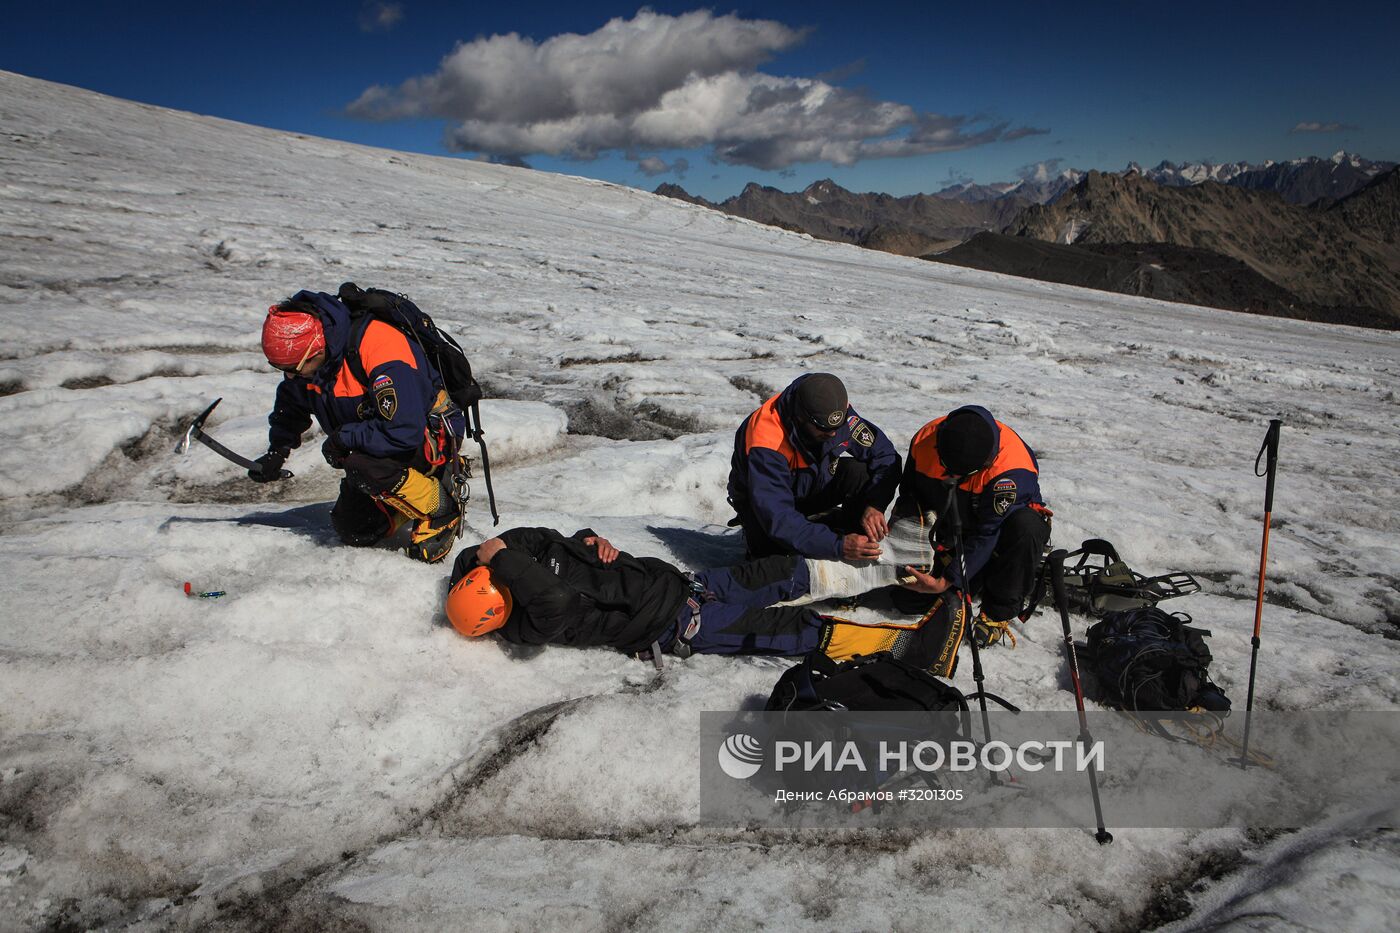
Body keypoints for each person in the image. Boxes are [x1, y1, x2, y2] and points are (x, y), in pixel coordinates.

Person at [444, 527, 963, 667]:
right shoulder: (531, 620)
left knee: (786, 572)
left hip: (688, 584)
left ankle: (903, 568)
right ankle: (907, 649)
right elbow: (552, 598)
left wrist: (587, 541)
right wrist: (503, 559)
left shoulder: (506, 566)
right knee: (790, 633)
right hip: (680, 625)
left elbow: (544, 539)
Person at [249, 289, 466, 563]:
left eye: (296, 367)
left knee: (362, 466)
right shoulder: (314, 364)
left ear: (318, 348)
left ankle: (441, 505)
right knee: (355, 529)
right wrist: (277, 450)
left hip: (426, 437)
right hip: (379, 443)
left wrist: (344, 438)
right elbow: (292, 402)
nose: (291, 375)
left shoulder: (381, 349)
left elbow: (403, 430)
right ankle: (407, 500)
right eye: (284, 368)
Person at [892, 405, 1051, 647]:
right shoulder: (925, 439)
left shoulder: (1012, 470)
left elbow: (988, 533)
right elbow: (910, 497)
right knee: (907, 602)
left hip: (996, 534)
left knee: (1026, 527)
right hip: (951, 529)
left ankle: (997, 611)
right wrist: (909, 548)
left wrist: (947, 579)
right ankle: (966, 573)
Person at [727, 373, 901, 562]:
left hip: (810, 485)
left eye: (838, 425)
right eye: (823, 429)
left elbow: (885, 455)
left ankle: (857, 545)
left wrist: (875, 504)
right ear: (801, 418)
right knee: (777, 563)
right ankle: (829, 539)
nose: (833, 433)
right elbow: (778, 518)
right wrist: (837, 546)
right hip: (763, 506)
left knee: (858, 473)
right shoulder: (766, 442)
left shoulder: (833, 413)